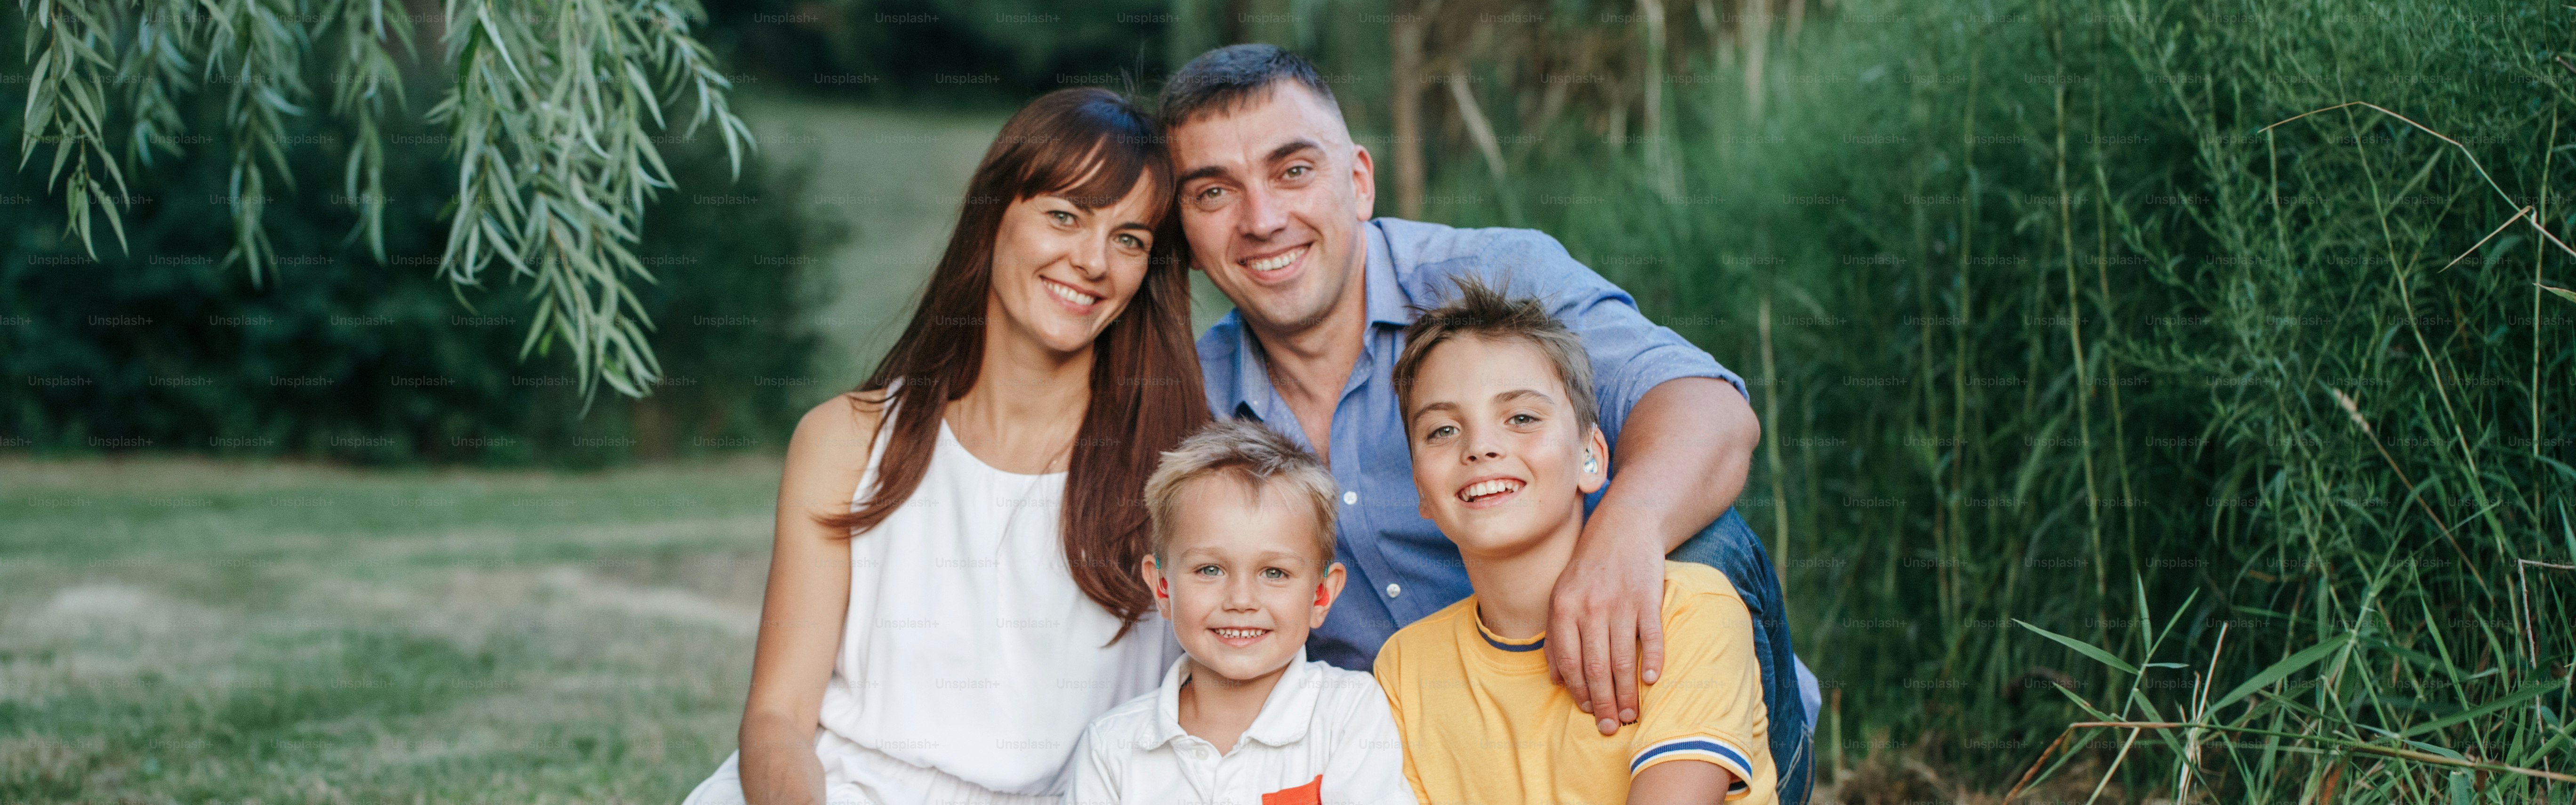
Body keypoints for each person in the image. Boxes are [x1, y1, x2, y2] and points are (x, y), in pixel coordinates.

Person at [1160, 44, 1815, 802]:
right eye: (1214, 193)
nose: (1263, 219)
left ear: (1359, 180)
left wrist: (1624, 533)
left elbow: (1710, 410)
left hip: (1635, 722)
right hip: (1437, 762)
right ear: (1188, 236)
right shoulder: (1188, 402)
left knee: (1705, 538)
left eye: (1294, 171)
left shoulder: (1496, 281)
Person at [679, 88, 1209, 805]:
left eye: (1129, 240)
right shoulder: (847, 440)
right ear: (993, 219)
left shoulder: (1177, 474)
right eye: (1064, 216)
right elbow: (776, 720)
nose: (1092, 260)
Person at [1374, 277, 1772, 805]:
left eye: (1521, 417)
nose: (1481, 447)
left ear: (1592, 458)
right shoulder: (1405, 667)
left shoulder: (1689, 613)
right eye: (1443, 431)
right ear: (1422, 489)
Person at [1067, 419, 1414, 805]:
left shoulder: (1351, 714)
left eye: (1274, 573)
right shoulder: (1112, 748)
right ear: (1162, 587)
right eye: (1210, 570)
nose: (1241, 600)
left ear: (1321, 594)